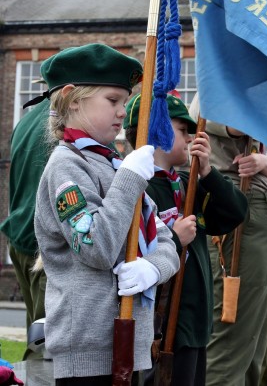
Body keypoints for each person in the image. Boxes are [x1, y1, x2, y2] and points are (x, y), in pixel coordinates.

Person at [33, 43, 180, 383]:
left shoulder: (112, 164)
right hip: (89, 350)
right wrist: (129, 179)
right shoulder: (68, 166)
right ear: (72, 98)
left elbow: (166, 239)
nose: (121, 112)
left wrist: (152, 269)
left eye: (124, 102)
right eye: (112, 101)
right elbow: (96, 247)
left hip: (133, 342)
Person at [124, 93, 248, 385]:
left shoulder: (186, 184)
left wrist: (207, 172)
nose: (191, 137)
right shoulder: (137, 187)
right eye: (182, 130)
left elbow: (235, 213)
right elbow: (131, 255)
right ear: (159, 130)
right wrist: (173, 238)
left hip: (194, 322)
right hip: (161, 327)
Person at [193, 100, 267, 386]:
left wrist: (265, 162)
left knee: (256, 341)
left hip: (258, 213)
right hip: (239, 214)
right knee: (231, 335)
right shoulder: (222, 88)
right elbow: (240, 121)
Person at [0, 99, 52, 360]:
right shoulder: (63, 125)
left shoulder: (27, 120)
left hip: (21, 238)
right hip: (45, 247)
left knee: (37, 335)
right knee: (46, 350)